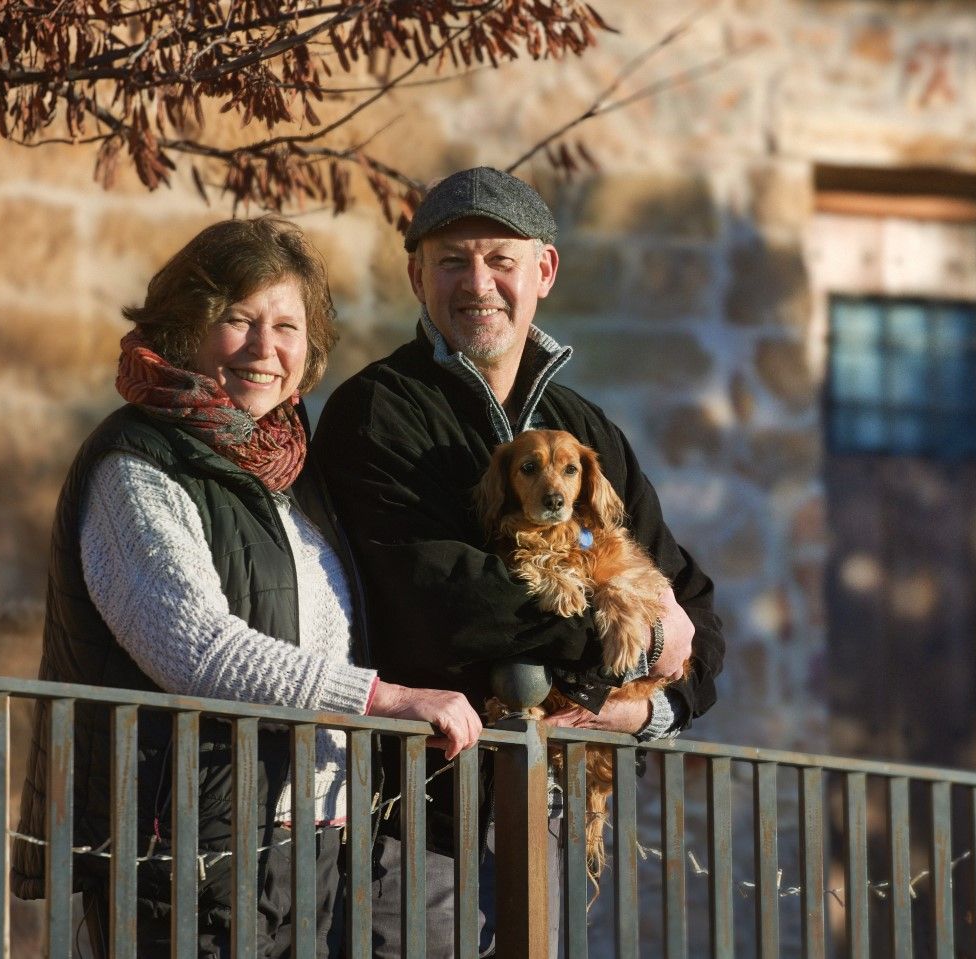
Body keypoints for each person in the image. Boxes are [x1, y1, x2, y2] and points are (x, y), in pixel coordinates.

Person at [10, 217, 482, 958]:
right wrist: (385, 699)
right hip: (186, 854)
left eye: (287, 326)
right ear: (186, 327)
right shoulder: (136, 461)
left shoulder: (295, 471)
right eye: (239, 319)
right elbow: (197, 649)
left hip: (315, 845)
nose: (266, 348)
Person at [311, 167, 726, 956]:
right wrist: (633, 637)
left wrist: (643, 711)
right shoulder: (378, 413)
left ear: (544, 270)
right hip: (420, 818)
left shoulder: (585, 431)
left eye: (501, 260)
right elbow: (450, 603)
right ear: (417, 277)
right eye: (452, 262)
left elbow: (696, 616)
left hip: (555, 814)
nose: (478, 284)